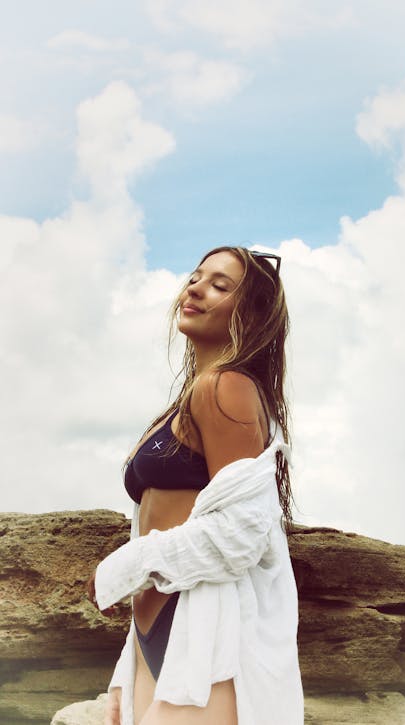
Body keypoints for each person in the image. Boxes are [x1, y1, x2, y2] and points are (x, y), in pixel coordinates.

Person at [87, 246, 304, 725]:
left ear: (249, 315)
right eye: (195, 277)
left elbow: (242, 531)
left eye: (220, 286)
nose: (197, 288)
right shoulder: (186, 398)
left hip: (206, 630)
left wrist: (123, 567)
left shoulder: (226, 387)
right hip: (156, 632)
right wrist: (127, 668)